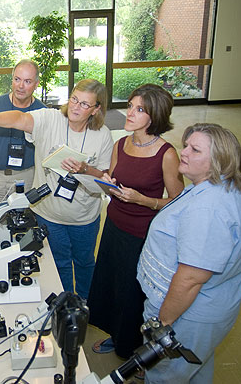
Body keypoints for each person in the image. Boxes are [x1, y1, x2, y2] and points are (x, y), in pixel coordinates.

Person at [0, 79, 114, 299]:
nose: (76, 107)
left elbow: (105, 181)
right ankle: (65, 304)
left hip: (83, 217)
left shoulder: (103, 135)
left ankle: (85, 305)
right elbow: (19, 118)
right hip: (49, 214)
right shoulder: (51, 118)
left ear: (96, 110)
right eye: (74, 99)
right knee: (59, 264)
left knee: (84, 263)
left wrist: (84, 169)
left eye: (85, 104)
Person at [136, 123, 241, 383]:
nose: (184, 152)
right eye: (186, 145)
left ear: (218, 161)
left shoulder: (208, 209)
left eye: (195, 150)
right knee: (195, 368)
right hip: (205, 309)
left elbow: (191, 279)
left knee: (165, 375)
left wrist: (161, 324)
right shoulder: (213, 186)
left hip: (186, 315)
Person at [88, 84, 184, 359]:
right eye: (130, 105)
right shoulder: (122, 143)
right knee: (112, 285)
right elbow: (116, 184)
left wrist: (144, 200)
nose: (129, 113)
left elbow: (179, 202)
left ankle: (133, 349)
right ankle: (117, 337)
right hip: (114, 226)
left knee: (132, 293)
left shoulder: (166, 154)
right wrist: (106, 183)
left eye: (139, 109)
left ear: (154, 116)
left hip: (141, 235)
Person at [0, 60, 46, 214]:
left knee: (23, 227)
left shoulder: (43, 113)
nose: (20, 86)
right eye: (17, 79)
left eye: (27, 81)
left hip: (27, 178)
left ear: (36, 84)